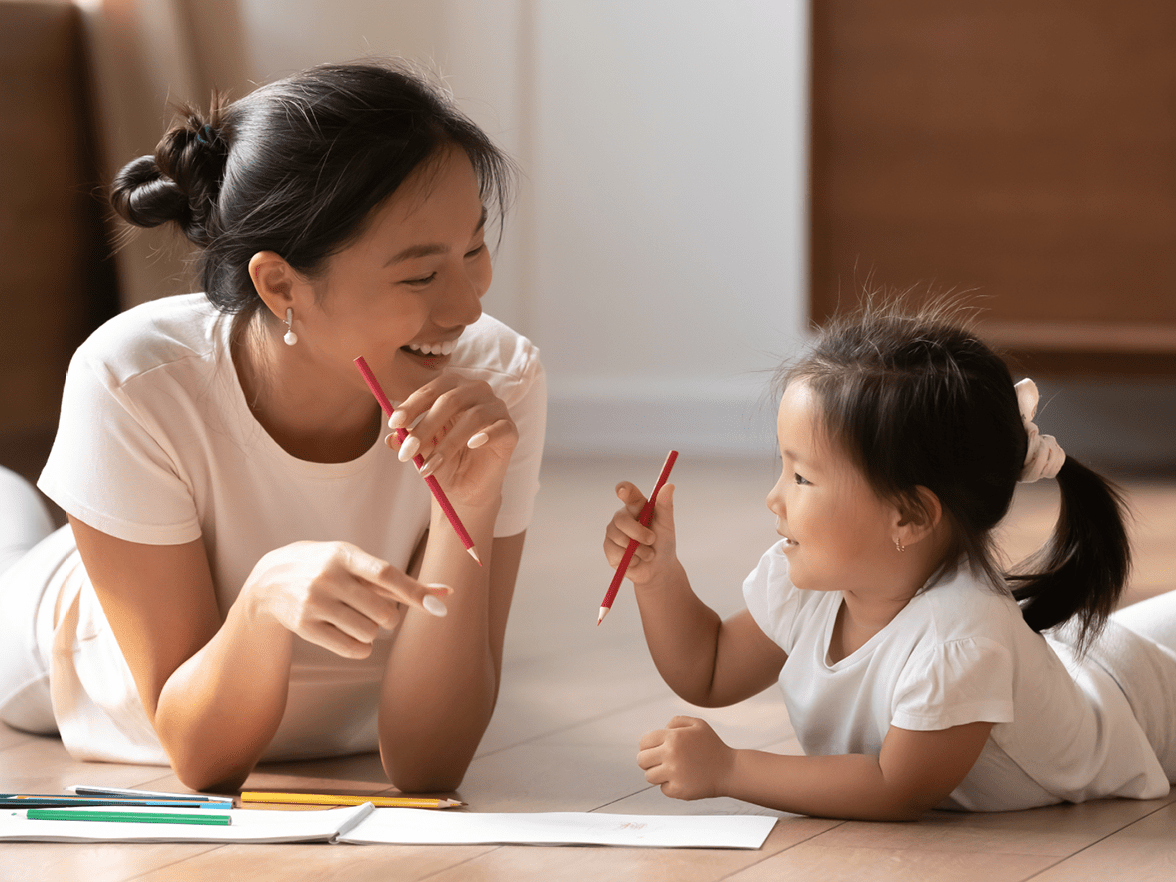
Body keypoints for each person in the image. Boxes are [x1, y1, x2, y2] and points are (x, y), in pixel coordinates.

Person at [0, 60, 546, 795]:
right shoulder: (134, 379)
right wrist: (260, 604)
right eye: (420, 276)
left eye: (474, 250)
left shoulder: (500, 378)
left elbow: (429, 767)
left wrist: (469, 509)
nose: (467, 309)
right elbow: (201, 754)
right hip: (66, 641)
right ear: (280, 284)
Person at [604, 299, 1176, 819]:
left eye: (802, 476)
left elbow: (895, 788)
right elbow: (707, 669)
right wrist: (658, 575)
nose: (774, 497)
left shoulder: (962, 640)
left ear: (909, 516)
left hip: (1149, 709)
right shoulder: (813, 584)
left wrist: (731, 769)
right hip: (1085, 663)